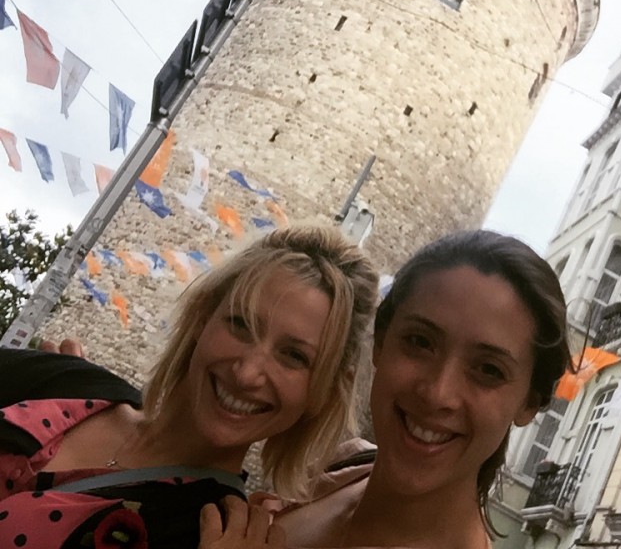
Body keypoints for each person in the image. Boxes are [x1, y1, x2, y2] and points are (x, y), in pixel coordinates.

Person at [0, 223, 379, 549]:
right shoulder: (70, 383)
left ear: (323, 392)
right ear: (203, 316)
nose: (247, 374)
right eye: (240, 324)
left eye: (294, 356)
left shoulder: (207, 533)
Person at [202, 229, 572, 549]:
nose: (438, 393)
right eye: (420, 342)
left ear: (531, 401)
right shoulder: (344, 467)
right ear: (380, 341)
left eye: (488, 370)